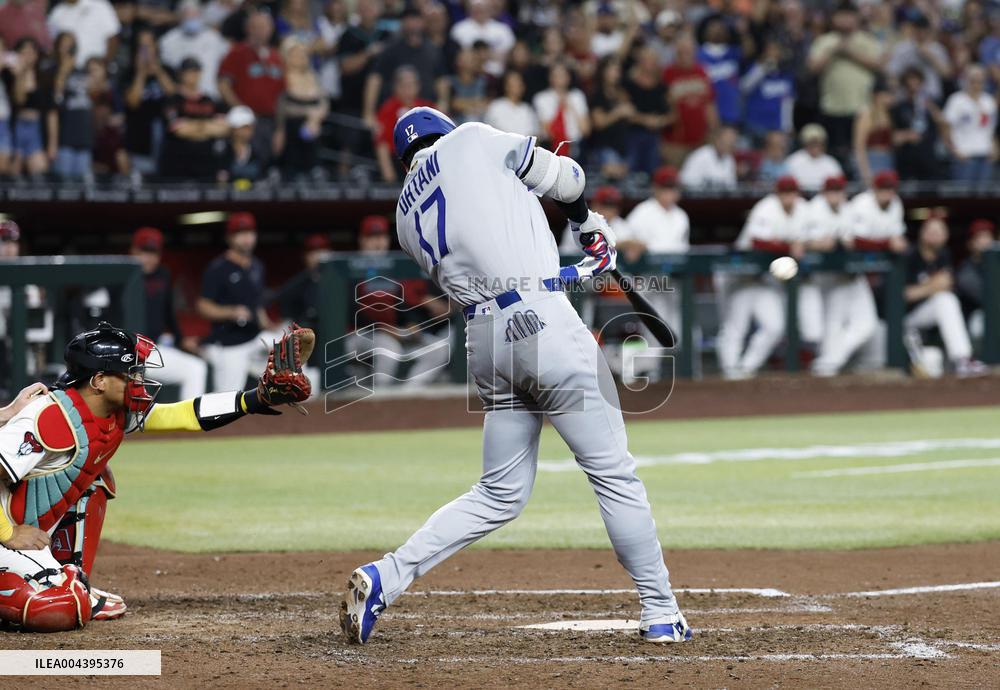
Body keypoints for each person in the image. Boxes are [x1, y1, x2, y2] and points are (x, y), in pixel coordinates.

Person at [340, 106, 692, 646]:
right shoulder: (473, 140)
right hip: (543, 322)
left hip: (486, 344)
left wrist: (577, 264)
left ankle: (385, 575)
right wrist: (584, 221)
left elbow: (493, 255)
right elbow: (569, 179)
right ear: (444, 130)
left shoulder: (404, 216)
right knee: (613, 473)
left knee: (499, 492)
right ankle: (662, 611)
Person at [0, 321, 311, 632]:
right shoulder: (50, 417)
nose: (139, 380)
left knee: (94, 480)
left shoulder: (111, 414)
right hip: (6, 535)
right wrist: (8, 534)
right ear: (99, 381)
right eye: (130, 373)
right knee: (60, 608)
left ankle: (69, 577)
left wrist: (255, 398)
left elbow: (185, 414)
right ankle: (49, 585)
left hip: (26, 530)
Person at [815, 170, 907, 375]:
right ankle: (826, 366)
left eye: (890, 188)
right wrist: (887, 243)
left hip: (854, 275)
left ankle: (827, 362)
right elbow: (855, 240)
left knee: (866, 324)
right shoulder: (860, 205)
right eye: (882, 188)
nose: (887, 192)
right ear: (874, 188)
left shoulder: (895, 205)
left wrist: (892, 242)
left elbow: (896, 239)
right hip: (834, 273)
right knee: (831, 323)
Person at [717, 175, 808, 379]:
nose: (788, 197)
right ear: (777, 193)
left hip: (764, 279)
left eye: (792, 192)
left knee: (774, 326)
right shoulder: (765, 207)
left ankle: (747, 368)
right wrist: (788, 246)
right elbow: (759, 242)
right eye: (784, 192)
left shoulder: (803, 209)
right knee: (735, 326)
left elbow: (805, 241)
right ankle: (730, 371)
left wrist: (800, 245)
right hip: (740, 274)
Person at [343, 215, 451, 388]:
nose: (378, 242)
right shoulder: (349, 266)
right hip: (357, 335)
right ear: (362, 240)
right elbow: (350, 311)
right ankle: (379, 400)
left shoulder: (393, 267)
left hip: (394, 332)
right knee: (388, 348)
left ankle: (407, 394)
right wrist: (384, 329)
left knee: (439, 349)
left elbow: (402, 305)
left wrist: (411, 323)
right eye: (372, 237)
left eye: (382, 237)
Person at [197, 212, 277, 392]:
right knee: (227, 401)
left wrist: (267, 323)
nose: (247, 238)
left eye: (250, 232)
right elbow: (203, 306)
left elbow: (256, 304)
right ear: (230, 238)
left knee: (288, 343)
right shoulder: (218, 268)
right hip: (230, 342)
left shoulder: (257, 266)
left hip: (256, 337)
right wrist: (231, 312)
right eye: (241, 233)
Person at [129, 227, 207, 400]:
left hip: (150, 350)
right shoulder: (120, 276)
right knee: (131, 419)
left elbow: (168, 313)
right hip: (124, 353)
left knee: (195, 368)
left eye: (153, 253)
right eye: (144, 252)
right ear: (133, 251)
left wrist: (181, 340)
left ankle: (190, 422)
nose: (148, 258)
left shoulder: (162, 275)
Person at [904, 217, 987, 377]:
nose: (935, 235)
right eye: (931, 231)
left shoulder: (943, 256)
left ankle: (962, 359)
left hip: (929, 321)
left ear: (946, 236)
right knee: (944, 300)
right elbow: (899, 296)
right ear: (922, 234)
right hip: (903, 322)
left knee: (946, 299)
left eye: (939, 232)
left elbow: (947, 287)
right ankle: (962, 358)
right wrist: (931, 287)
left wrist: (933, 287)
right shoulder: (909, 256)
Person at [806, 1, 883, 165]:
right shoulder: (825, 41)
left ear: (856, 18)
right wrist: (834, 50)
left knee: (860, 156)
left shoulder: (866, 40)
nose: (845, 20)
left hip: (861, 109)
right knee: (833, 157)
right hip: (831, 107)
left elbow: (878, 65)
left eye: (849, 16)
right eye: (841, 16)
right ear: (834, 19)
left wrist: (849, 52)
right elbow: (812, 68)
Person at [218, 10, 285, 168]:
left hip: (270, 119)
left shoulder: (276, 56)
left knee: (269, 160)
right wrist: (241, 111)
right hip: (245, 121)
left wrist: (280, 128)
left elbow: (282, 94)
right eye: (256, 26)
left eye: (264, 26)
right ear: (248, 28)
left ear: (271, 29)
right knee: (247, 163)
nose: (261, 31)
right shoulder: (237, 52)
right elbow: (223, 85)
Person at [159, 57, 227, 181]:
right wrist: (207, 127)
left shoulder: (209, 100)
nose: (193, 75)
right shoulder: (173, 100)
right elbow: (179, 130)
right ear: (181, 74)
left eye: (196, 71)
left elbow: (223, 128)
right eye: (189, 71)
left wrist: (192, 125)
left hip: (206, 164)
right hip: (178, 163)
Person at [123, 27, 175, 179]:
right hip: (139, 139)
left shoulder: (167, 69)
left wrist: (157, 71)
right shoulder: (129, 73)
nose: (146, 50)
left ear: (156, 46)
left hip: (166, 141)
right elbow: (132, 102)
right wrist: (141, 73)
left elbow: (174, 95)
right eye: (142, 46)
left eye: (149, 45)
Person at [274, 36, 329, 179]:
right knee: (298, 127)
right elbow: (281, 106)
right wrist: (308, 113)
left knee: (313, 130)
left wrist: (317, 116)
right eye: (296, 53)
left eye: (303, 53)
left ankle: (314, 168)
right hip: (291, 121)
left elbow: (324, 101)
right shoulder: (282, 77)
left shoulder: (313, 76)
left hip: (313, 123)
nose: (300, 57)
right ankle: (296, 170)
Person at [662, 33, 717, 166]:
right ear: (676, 52)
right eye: (682, 52)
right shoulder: (667, 73)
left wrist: (714, 131)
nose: (685, 55)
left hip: (701, 140)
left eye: (688, 51)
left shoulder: (701, 72)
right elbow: (662, 105)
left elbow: (709, 104)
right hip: (675, 143)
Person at [373, 66, 434, 182]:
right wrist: (389, 176)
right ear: (396, 87)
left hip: (425, 163)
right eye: (404, 86)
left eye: (411, 85)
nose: (408, 90)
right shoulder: (387, 110)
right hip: (398, 163)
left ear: (418, 86)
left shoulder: (426, 108)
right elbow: (381, 145)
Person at [158, 0, 230, 99]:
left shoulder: (214, 37)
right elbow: (166, 70)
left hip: (210, 95)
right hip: (181, 97)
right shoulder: (168, 40)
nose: (191, 18)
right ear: (180, 16)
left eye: (195, 14)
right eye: (187, 15)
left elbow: (227, 58)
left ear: (201, 16)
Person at [50, 36, 95, 182]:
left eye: (71, 46)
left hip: (84, 138)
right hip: (64, 140)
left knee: (82, 190)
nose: (68, 50)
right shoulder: (50, 71)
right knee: (64, 187)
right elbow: (55, 100)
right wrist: (63, 70)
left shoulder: (83, 72)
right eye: (64, 46)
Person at [943, 64, 996, 185]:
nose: (976, 84)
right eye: (973, 81)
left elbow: (990, 129)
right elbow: (945, 128)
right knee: (963, 195)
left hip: (985, 155)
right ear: (966, 80)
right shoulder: (956, 100)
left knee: (984, 198)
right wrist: (954, 150)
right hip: (964, 155)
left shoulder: (989, 101)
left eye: (980, 81)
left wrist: (994, 148)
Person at [891, 67, 946, 182]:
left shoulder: (932, 105)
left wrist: (931, 108)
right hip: (907, 157)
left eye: (917, 84)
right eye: (909, 86)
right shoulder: (899, 108)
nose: (914, 89)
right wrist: (906, 135)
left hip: (928, 156)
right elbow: (893, 135)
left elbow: (943, 124)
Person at [623, 46, 671, 176]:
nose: (650, 64)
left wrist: (660, 121)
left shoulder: (661, 86)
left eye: (653, 60)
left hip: (655, 136)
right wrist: (646, 120)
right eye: (646, 60)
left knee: (653, 170)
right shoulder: (629, 84)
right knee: (631, 170)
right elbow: (626, 112)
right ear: (640, 62)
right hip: (632, 135)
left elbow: (672, 114)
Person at [9, 38, 53, 178]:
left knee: (39, 171)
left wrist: (52, 142)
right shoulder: (10, 75)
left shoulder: (44, 77)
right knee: (13, 173)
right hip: (17, 127)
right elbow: (19, 99)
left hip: (36, 128)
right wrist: (20, 74)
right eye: (23, 53)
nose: (27, 57)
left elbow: (52, 111)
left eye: (31, 53)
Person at [740, 38, 795, 142]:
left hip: (776, 128)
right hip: (755, 125)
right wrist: (763, 68)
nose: (773, 53)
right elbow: (744, 87)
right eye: (770, 50)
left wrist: (788, 125)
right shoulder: (756, 69)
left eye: (776, 50)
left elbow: (787, 103)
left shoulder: (786, 76)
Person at [532, 62, 590, 158]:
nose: (559, 78)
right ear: (550, 77)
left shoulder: (577, 96)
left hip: (576, 147)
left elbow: (586, 130)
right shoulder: (541, 98)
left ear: (569, 77)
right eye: (556, 75)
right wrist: (558, 107)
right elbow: (548, 131)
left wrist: (571, 107)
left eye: (563, 75)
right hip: (551, 147)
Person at [587, 56, 632, 179]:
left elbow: (630, 114)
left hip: (622, 146)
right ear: (603, 71)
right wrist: (618, 112)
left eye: (617, 69)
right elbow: (599, 122)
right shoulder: (597, 94)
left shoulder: (622, 93)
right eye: (612, 68)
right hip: (604, 147)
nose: (616, 72)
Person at [47, 0, 121, 68]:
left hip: (96, 69)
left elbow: (113, 37)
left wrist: (104, 64)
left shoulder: (100, 5)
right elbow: (52, 45)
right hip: (68, 70)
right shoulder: (57, 12)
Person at [450, 0, 515, 77]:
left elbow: (511, 54)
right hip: (469, 76)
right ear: (469, 9)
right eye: (476, 8)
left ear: (489, 9)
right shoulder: (458, 29)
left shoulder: (503, 29)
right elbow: (456, 56)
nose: (480, 11)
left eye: (483, 8)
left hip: (498, 76)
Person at [697, 17, 741, 128]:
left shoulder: (736, 53)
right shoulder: (697, 55)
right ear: (706, 32)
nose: (717, 31)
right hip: (707, 114)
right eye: (713, 28)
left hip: (732, 113)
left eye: (721, 28)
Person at [956, 219, 995, 341]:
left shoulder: (996, 265)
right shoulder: (965, 270)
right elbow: (988, 299)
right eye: (980, 237)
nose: (986, 241)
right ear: (971, 243)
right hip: (973, 321)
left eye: (988, 236)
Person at [852, 78, 895, 186]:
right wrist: (865, 173)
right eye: (886, 95)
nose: (890, 99)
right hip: (872, 161)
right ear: (876, 96)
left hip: (888, 160)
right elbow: (859, 146)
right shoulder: (866, 115)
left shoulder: (889, 114)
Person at [783, 123, 844, 193]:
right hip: (799, 199)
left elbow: (838, 187)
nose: (815, 147)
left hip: (824, 199)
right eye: (812, 143)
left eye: (818, 143)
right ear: (805, 143)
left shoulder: (831, 163)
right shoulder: (793, 161)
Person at [678, 125, 738, 191]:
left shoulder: (729, 159)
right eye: (726, 141)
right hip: (698, 199)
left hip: (720, 199)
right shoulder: (700, 155)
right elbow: (685, 180)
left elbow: (731, 186)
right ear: (717, 139)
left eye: (732, 142)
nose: (729, 144)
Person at [484, 70, 540, 138]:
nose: (518, 86)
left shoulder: (527, 109)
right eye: (514, 83)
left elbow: (535, 135)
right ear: (506, 86)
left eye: (520, 83)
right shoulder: (496, 106)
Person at [443, 47, 488, 125]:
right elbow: (453, 104)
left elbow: (484, 104)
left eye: (473, 59)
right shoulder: (450, 81)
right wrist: (472, 104)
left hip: (478, 122)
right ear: (458, 61)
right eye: (468, 58)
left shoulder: (482, 81)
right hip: (456, 123)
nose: (473, 61)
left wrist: (463, 104)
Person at [217, 105, 261, 183]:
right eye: (244, 127)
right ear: (233, 129)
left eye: (250, 127)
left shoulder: (257, 149)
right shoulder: (221, 150)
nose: (249, 130)